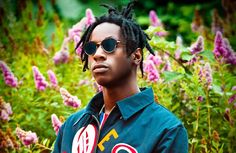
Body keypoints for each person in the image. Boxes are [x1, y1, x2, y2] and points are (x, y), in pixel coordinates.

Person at [53, 1, 188, 153]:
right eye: (91, 48)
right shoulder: (71, 127)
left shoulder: (165, 129)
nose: (97, 54)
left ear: (136, 56)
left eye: (109, 45)